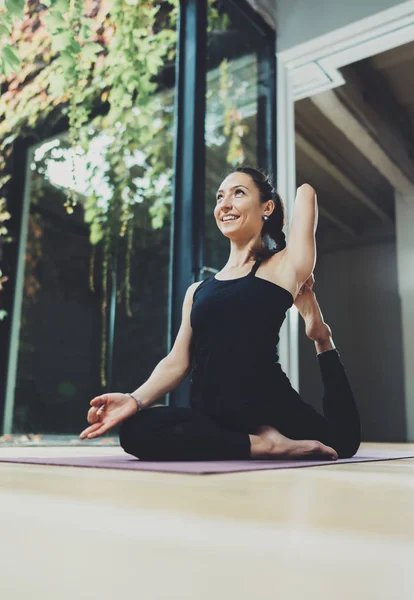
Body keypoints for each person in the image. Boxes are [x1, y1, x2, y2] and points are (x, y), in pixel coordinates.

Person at [79, 167, 361, 461]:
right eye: (219, 197)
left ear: (267, 207)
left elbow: (306, 192)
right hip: (215, 418)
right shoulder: (197, 290)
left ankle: (321, 336)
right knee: (135, 431)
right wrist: (134, 400)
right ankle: (264, 445)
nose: (224, 204)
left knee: (343, 443)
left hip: (270, 408)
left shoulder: (284, 266)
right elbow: (177, 362)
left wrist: (320, 336)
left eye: (239, 193)